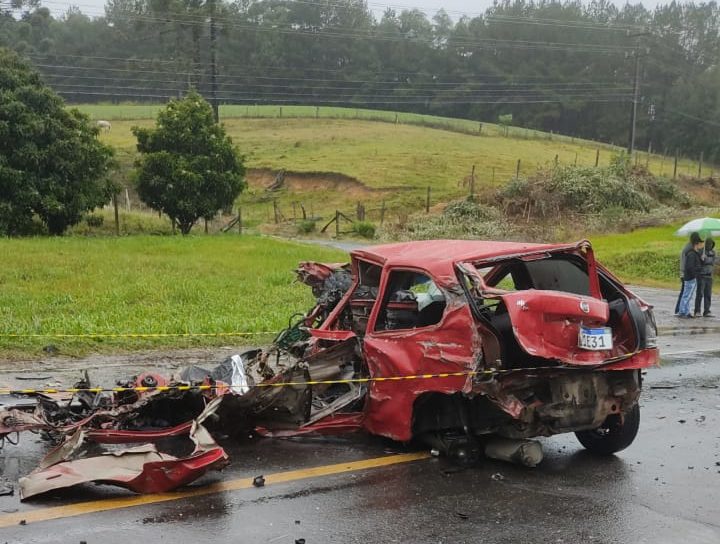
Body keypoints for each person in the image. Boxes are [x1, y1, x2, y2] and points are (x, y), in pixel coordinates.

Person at [678, 233, 704, 318]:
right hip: (690, 278)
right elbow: (690, 267)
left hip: (691, 277)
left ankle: (686, 311)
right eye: (700, 243)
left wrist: (702, 260)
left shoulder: (695, 253)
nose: (701, 244)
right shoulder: (691, 254)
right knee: (687, 295)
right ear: (696, 243)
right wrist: (694, 275)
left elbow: (697, 264)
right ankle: (683, 312)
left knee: (688, 295)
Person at [675, 233, 696, 314]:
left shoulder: (688, 247)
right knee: (685, 293)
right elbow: (686, 263)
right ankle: (680, 310)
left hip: (683, 273)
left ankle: (679, 309)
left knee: (684, 293)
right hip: (685, 273)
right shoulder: (689, 249)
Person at [694, 238, 716, 317]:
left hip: (709, 276)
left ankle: (707, 310)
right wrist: (702, 258)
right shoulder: (701, 252)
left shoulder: (713, 252)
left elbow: (713, 262)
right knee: (700, 294)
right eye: (708, 244)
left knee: (708, 294)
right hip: (702, 275)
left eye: (711, 244)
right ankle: (697, 310)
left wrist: (706, 259)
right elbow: (698, 263)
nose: (709, 245)